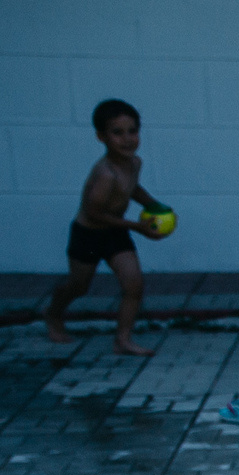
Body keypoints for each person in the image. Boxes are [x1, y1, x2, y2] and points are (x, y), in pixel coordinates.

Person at [47, 98, 162, 356]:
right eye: (117, 133)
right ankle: (53, 315)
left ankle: (123, 339)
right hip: (88, 235)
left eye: (133, 131)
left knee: (134, 284)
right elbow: (94, 212)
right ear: (101, 137)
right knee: (79, 286)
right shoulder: (105, 173)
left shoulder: (134, 163)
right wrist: (137, 226)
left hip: (114, 232)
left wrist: (156, 205)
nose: (127, 139)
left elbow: (132, 189)